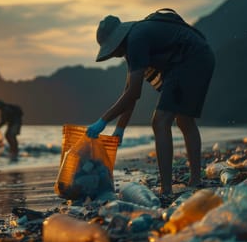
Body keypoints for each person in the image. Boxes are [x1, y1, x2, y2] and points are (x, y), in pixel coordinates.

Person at [86, 10, 215, 197]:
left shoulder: (136, 40)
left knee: (160, 121)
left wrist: (103, 121)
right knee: (184, 120)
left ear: (117, 41)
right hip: (199, 56)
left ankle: (167, 189)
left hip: (191, 59)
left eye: (111, 49)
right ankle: (195, 180)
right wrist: (119, 129)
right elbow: (129, 91)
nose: (113, 54)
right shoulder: (135, 40)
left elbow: (133, 93)